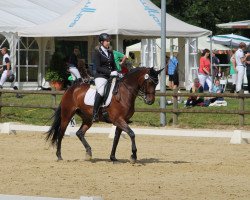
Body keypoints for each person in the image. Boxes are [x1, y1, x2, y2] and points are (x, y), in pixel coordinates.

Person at [92, 33, 117, 122]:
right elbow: (98, 67)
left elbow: (113, 65)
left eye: (109, 41)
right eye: (107, 41)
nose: (108, 42)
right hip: (100, 76)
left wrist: (117, 72)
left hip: (110, 76)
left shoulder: (110, 52)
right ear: (102, 42)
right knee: (101, 91)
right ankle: (94, 113)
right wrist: (110, 72)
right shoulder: (97, 52)